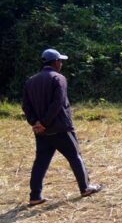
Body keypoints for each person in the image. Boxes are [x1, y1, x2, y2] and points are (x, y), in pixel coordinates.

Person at [21, 48, 101, 206]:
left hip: (42, 132)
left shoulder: (30, 81)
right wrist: (44, 122)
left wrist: (36, 123)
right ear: (56, 62)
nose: (62, 64)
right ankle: (85, 187)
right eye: (61, 61)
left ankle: (35, 196)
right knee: (75, 157)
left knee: (41, 162)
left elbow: (26, 106)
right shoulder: (59, 78)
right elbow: (57, 103)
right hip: (61, 128)